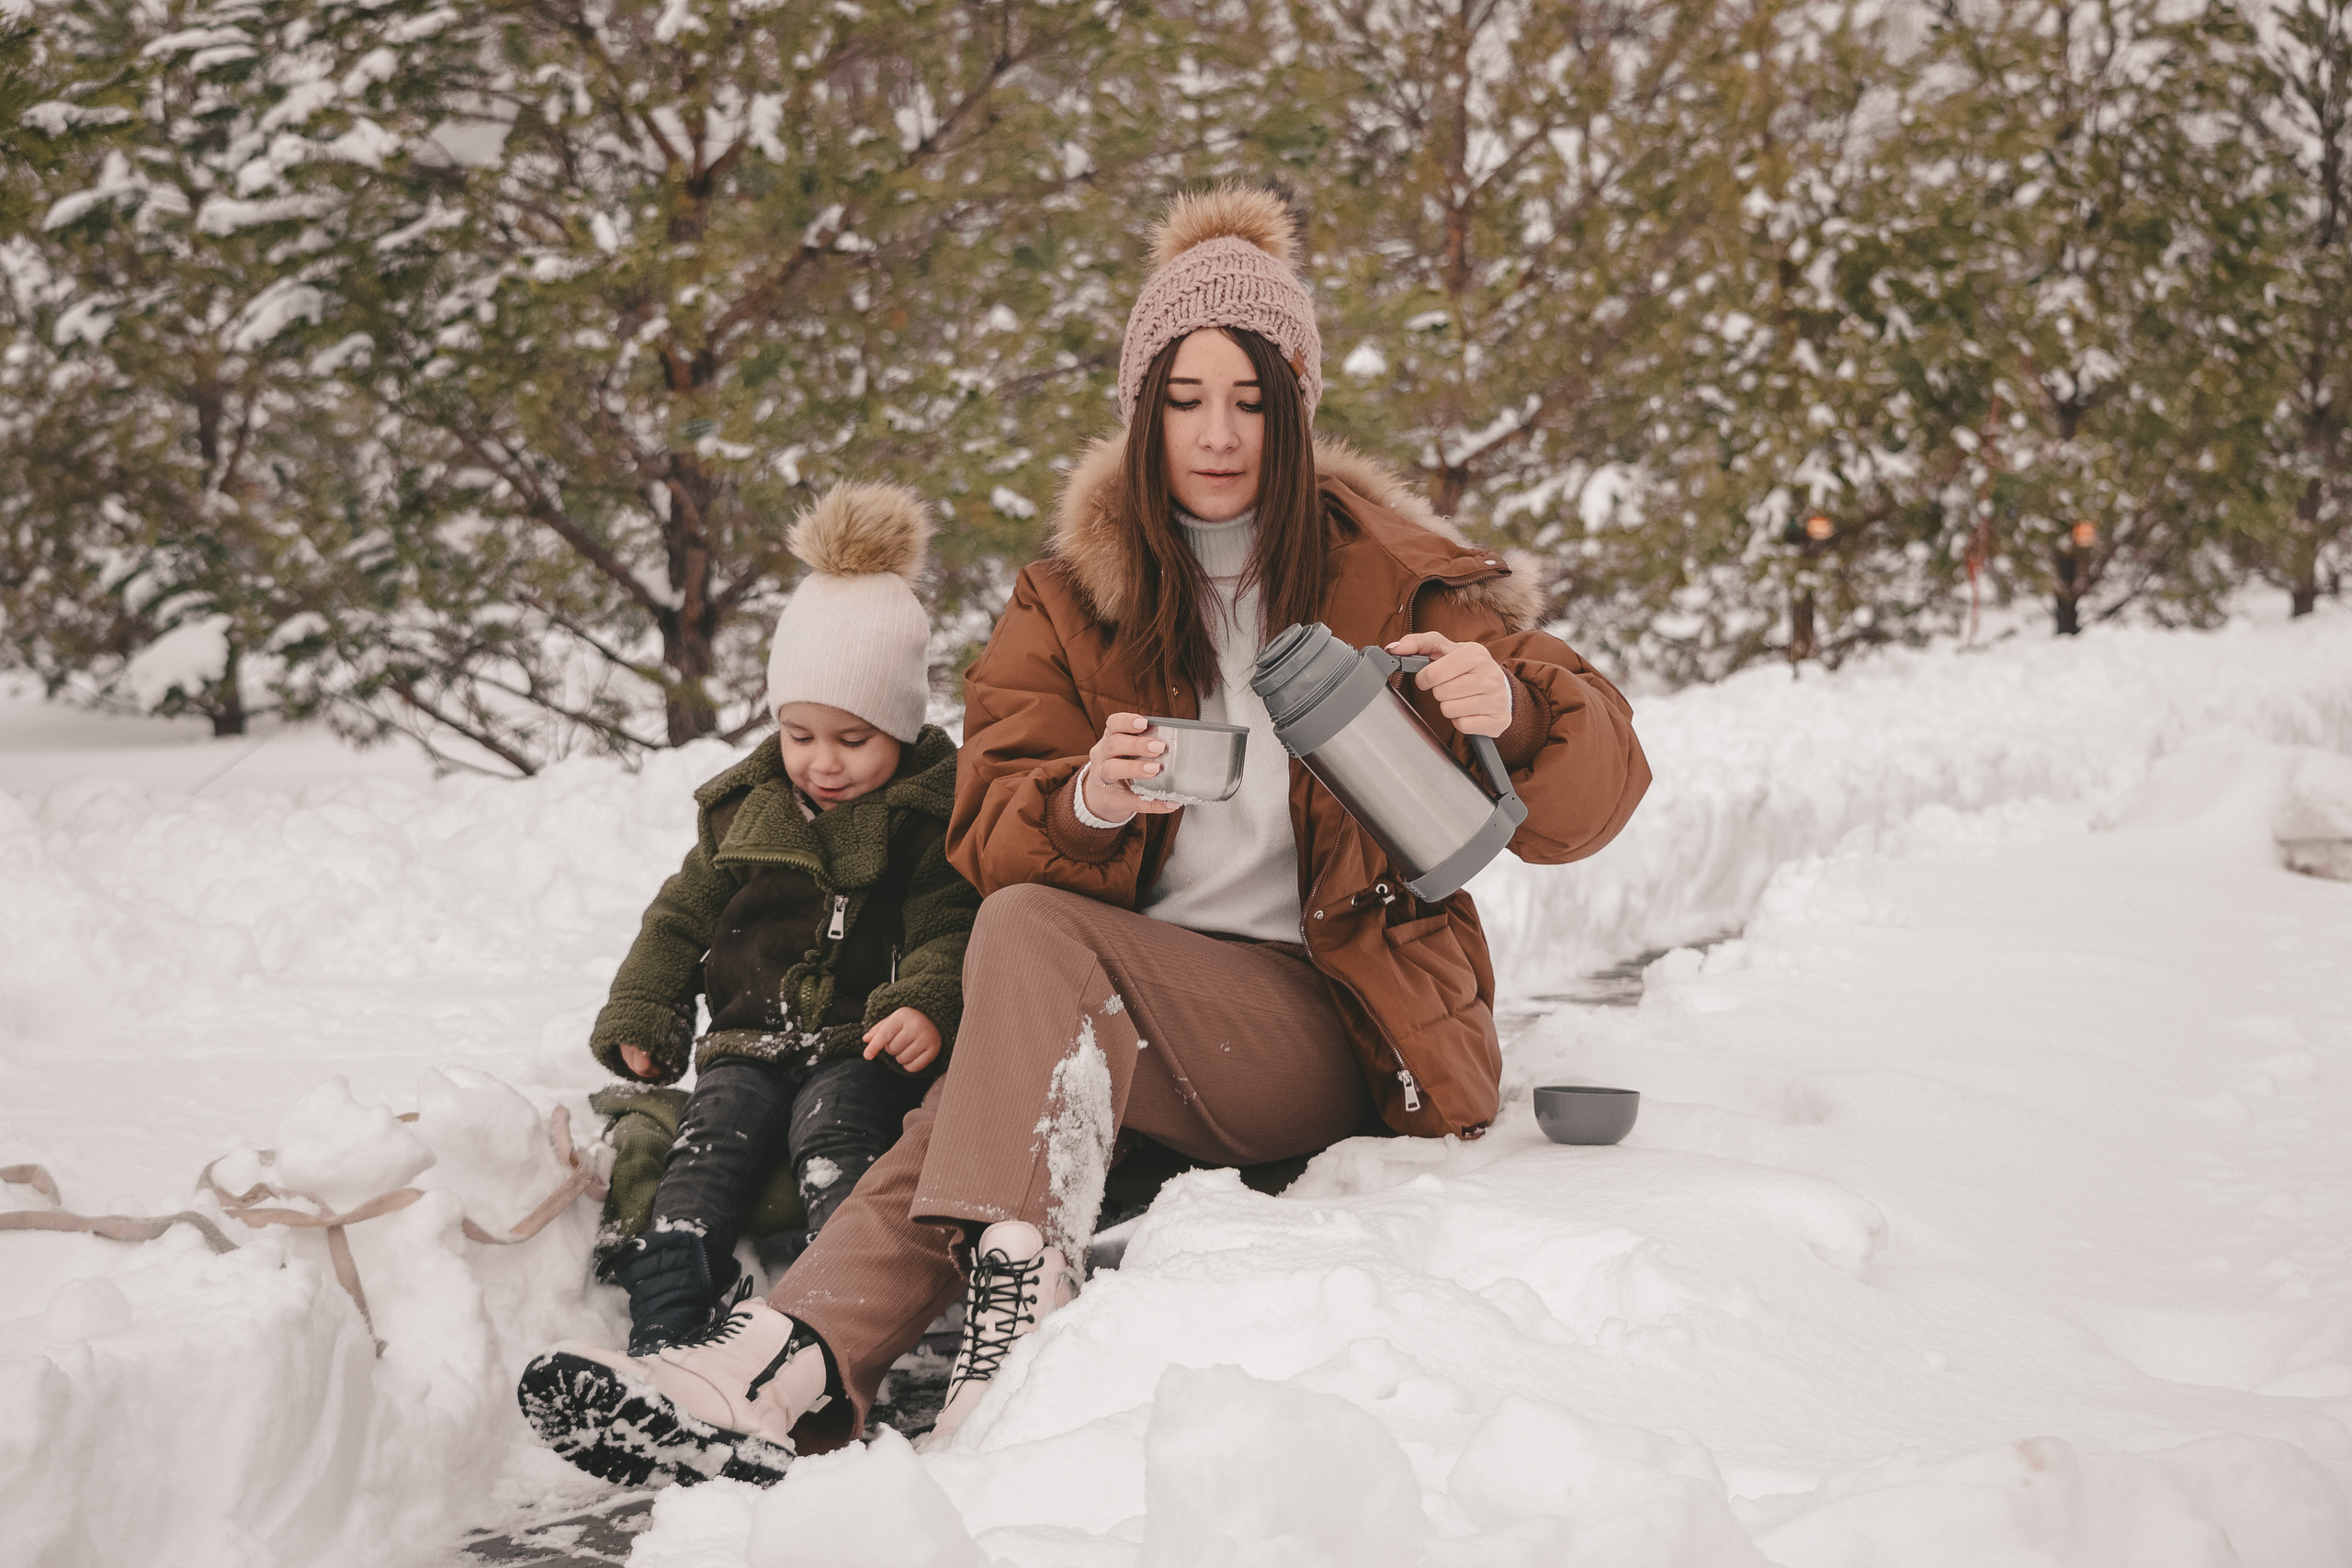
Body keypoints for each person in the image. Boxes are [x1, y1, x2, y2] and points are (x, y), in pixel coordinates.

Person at [519, 186, 1650, 1485]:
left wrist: (1514, 704)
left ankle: (1003, 1311)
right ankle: (772, 1368)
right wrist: (1090, 803)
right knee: (970, 1089)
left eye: (1251, 398)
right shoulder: (1072, 601)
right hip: (1120, 1009)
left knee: (1029, 945)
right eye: (1185, 399)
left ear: (1295, 407)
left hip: (1338, 1016)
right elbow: (993, 821)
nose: (1218, 434)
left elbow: (1597, 797)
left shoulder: (1402, 574)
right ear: (1140, 410)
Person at [577, 481, 980, 1357]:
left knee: (834, 1136)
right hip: (747, 1041)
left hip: (857, 1043)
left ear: (902, 731)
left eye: (853, 739)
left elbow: (953, 924)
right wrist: (647, 1013)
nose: (822, 763)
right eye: (800, 735)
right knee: (706, 1149)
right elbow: (678, 921)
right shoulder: (743, 815)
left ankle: (843, 1316)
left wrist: (924, 1004)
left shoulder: (924, 819)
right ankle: (671, 1319)